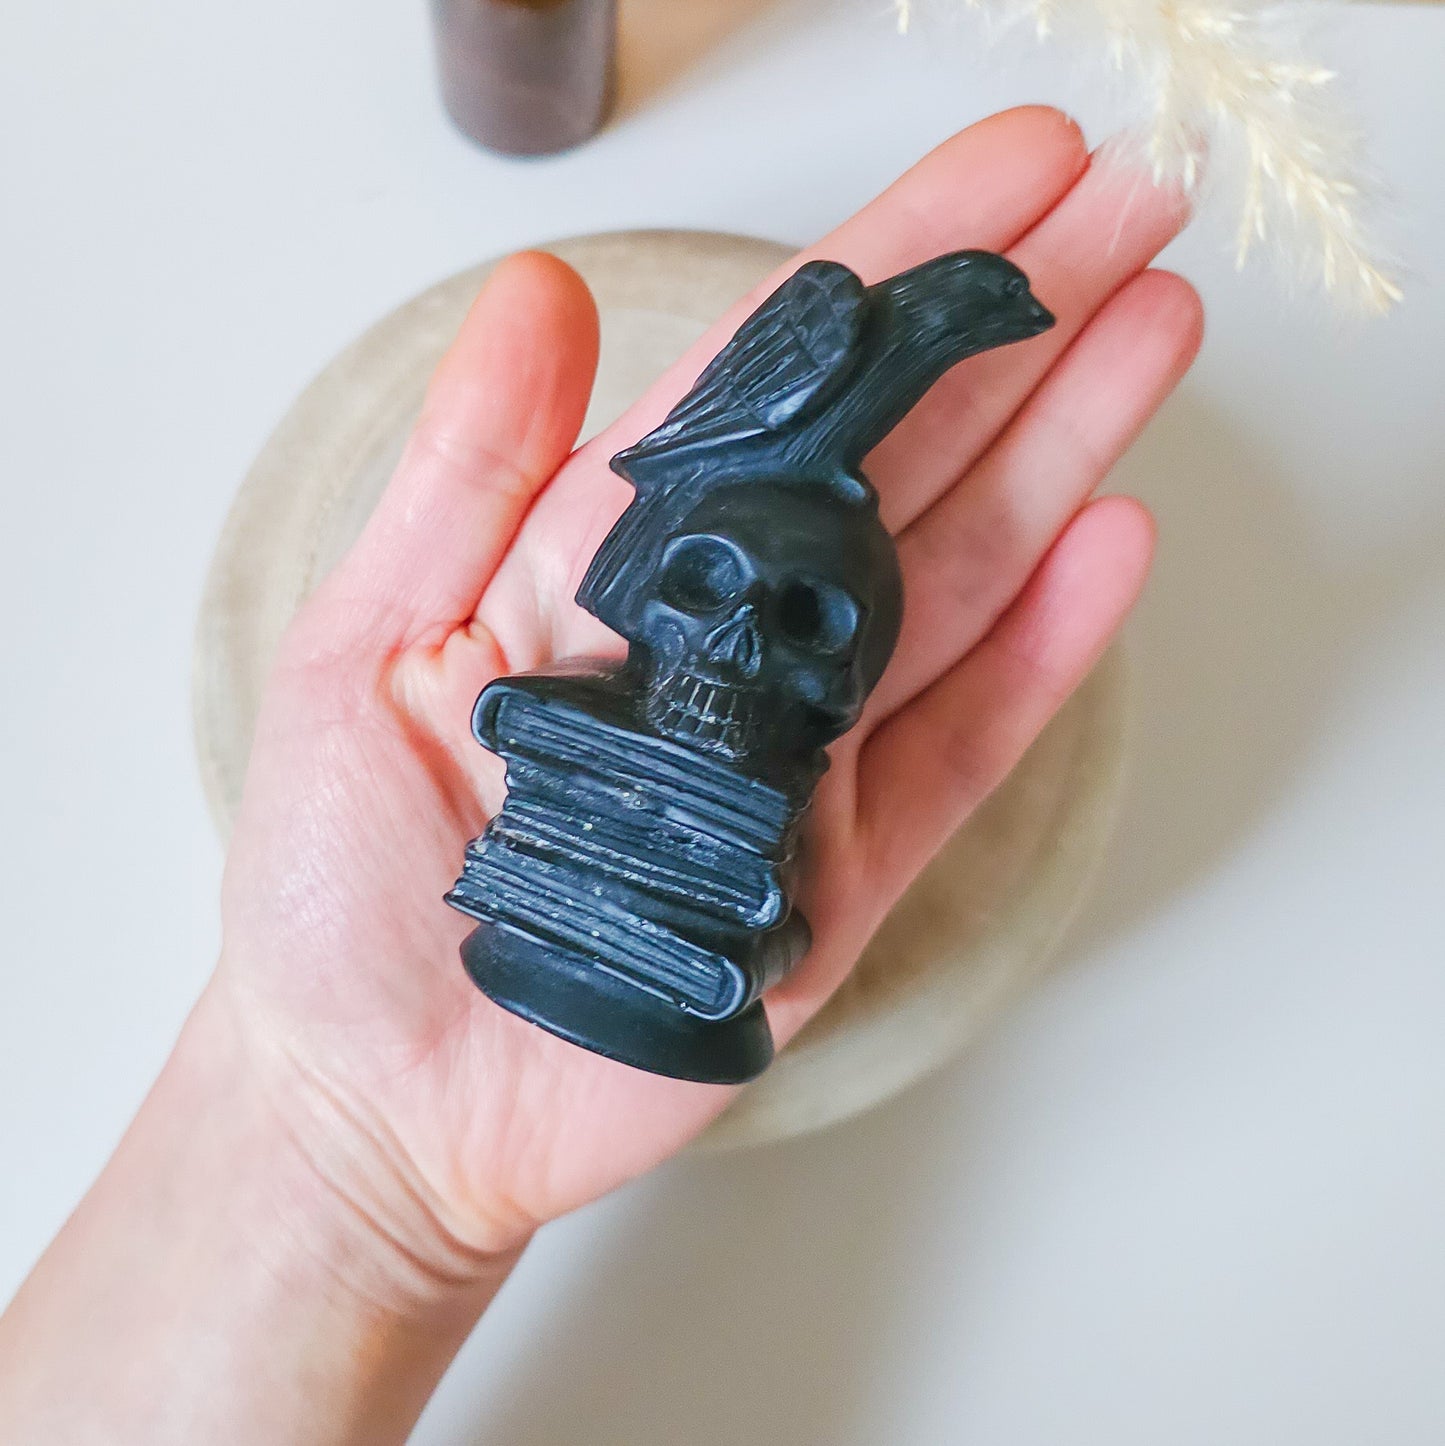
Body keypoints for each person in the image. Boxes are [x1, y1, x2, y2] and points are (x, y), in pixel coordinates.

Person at [0, 106, 1201, 1444]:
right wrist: (334, 1159)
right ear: (645, 586)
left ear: (843, 677)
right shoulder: (590, 722)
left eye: (807, 626)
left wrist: (354, 1185)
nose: (737, 646)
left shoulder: (747, 811)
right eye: (702, 587)